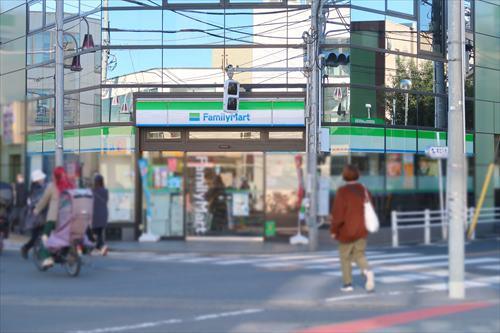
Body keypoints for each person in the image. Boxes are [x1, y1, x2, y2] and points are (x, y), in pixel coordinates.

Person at [330, 164, 375, 293]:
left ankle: (348, 284)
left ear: (344, 176)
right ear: (358, 175)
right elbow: (370, 208)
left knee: (345, 257)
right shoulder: (364, 190)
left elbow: (338, 214)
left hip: (346, 231)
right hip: (361, 229)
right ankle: (367, 271)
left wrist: (334, 230)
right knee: (359, 254)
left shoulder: (342, 191)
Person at [34, 166, 74, 268]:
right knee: (65, 236)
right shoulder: (71, 185)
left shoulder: (52, 186)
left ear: (55, 176)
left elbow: (44, 200)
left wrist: (36, 209)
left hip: (53, 218)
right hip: (68, 218)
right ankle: (66, 253)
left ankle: (47, 258)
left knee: (45, 237)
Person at [20, 170, 47, 259]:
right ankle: (26, 248)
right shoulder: (35, 189)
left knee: (42, 235)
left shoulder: (43, 187)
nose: (43, 179)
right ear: (38, 179)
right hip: (36, 217)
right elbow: (34, 202)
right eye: (42, 178)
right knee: (36, 236)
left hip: (43, 214)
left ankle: (38, 251)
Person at [88, 174, 109, 256]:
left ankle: (101, 246)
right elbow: (106, 200)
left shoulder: (92, 191)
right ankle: (98, 247)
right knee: (99, 232)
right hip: (104, 213)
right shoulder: (106, 191)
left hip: (95, 214)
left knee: (94, 232)